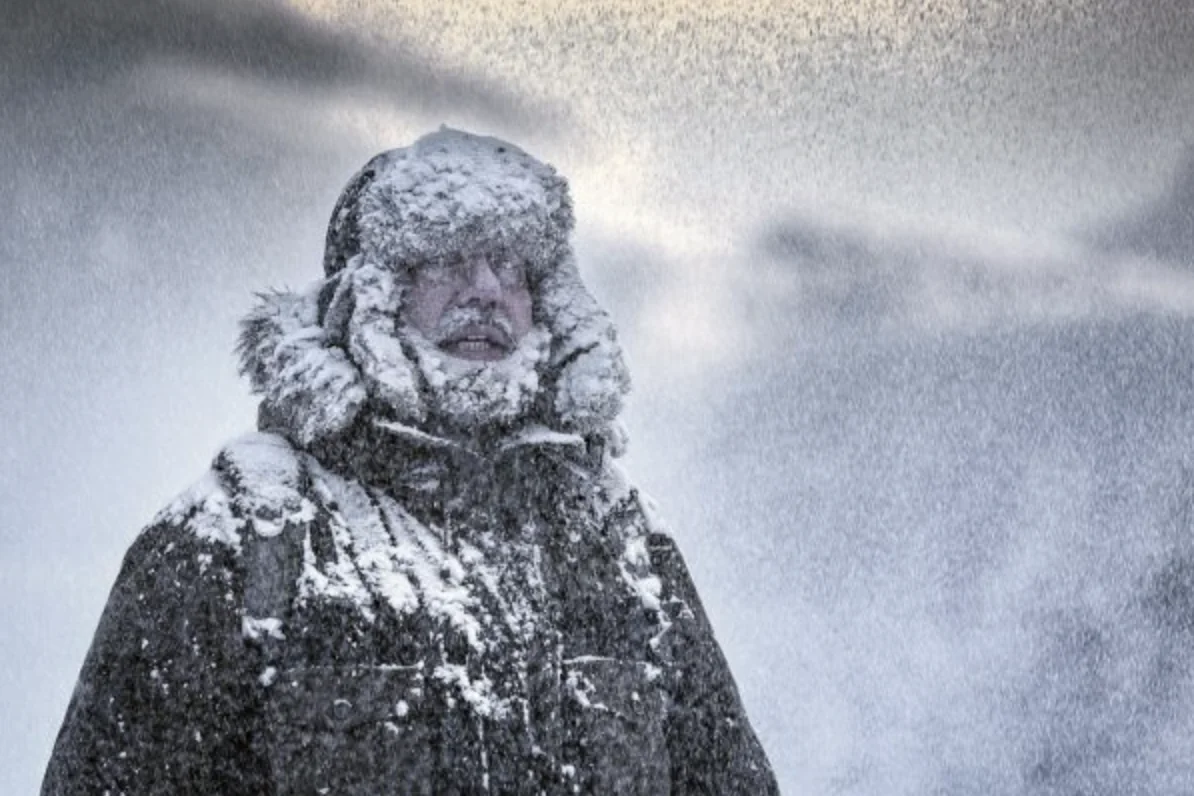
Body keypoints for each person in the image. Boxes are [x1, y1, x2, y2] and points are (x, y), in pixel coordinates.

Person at [41, 128, 779, 795]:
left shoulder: (621, 544)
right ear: (369, 296)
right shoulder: (237, 539)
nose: (485, 290)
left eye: (511, 265)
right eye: (445, 259)